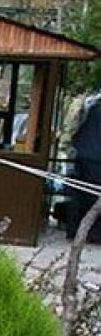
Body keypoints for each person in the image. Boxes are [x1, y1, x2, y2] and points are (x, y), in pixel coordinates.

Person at [65, 93, 101, 241]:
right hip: (96, 158)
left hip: (83, 153)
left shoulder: (90, 107)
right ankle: (92, 233)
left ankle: (74, 230)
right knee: (93, 197)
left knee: (79, 194)